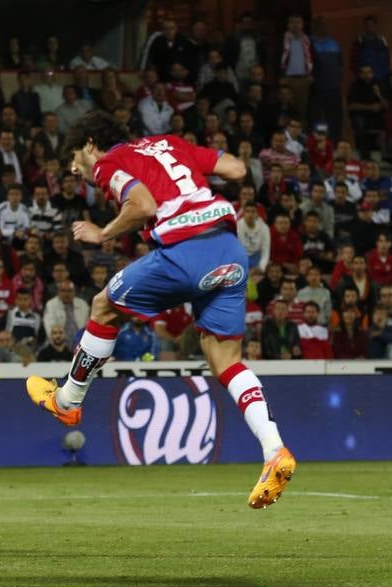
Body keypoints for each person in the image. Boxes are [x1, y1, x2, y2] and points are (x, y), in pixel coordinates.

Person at [28, 111, 296, 509]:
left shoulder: (107, 162)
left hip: (185, 252)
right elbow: (237, 168)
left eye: (72, 157)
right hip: (229, 249)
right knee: (225, 360)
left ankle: (67, 402)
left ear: (88, 144)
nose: (72, 168)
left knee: (103, 306)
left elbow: (142, 203)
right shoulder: (172, 143)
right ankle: (274, 449)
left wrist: (103, 233)